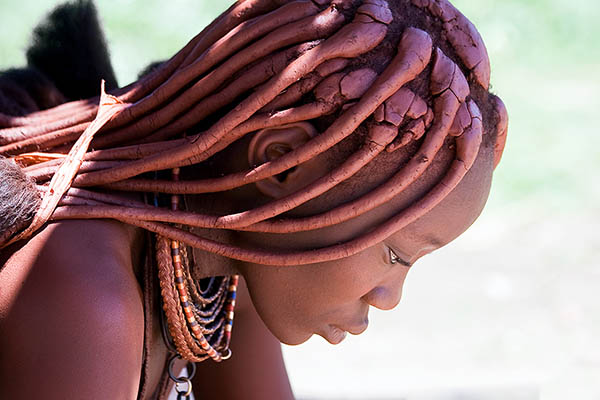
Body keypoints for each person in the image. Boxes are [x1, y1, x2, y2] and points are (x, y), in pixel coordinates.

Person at [0, 0, 509, 399]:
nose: (388, 297)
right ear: (282, 165)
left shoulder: (217, 279)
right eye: (396, 255)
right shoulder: (89, 298)